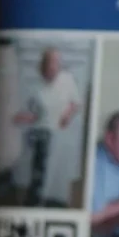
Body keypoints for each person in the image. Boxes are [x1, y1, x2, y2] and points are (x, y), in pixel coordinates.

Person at [12, 47, 83, 207]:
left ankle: (52, 201)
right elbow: (34, 115)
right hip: (40, 132)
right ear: (43, 65)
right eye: (50, 62)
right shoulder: (36, 87)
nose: (54, 66)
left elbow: (76, 103)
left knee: (56, 173)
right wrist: (19, 118)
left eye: (57, 62)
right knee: (38, 173)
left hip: (60, 134)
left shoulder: (67, 79)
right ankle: (35, 202)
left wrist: (67, 115)